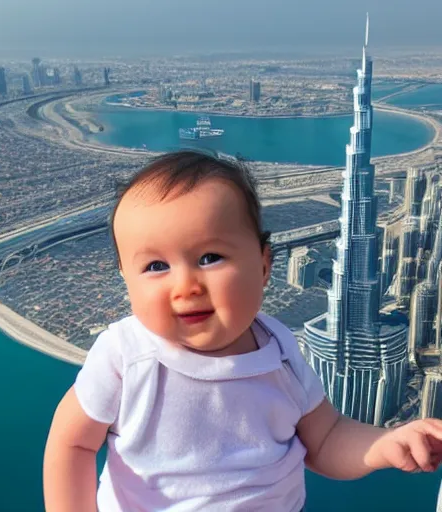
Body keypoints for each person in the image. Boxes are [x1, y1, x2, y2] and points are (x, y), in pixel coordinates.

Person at [43, 151, 442, 512]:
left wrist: (383, 444)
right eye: (155, 266)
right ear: (126, 282)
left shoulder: (281, 351)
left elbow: (326, 440)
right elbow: (71, 442)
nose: (186, 286)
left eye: (210, 257)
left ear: (264, 265)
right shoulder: (126, 355)